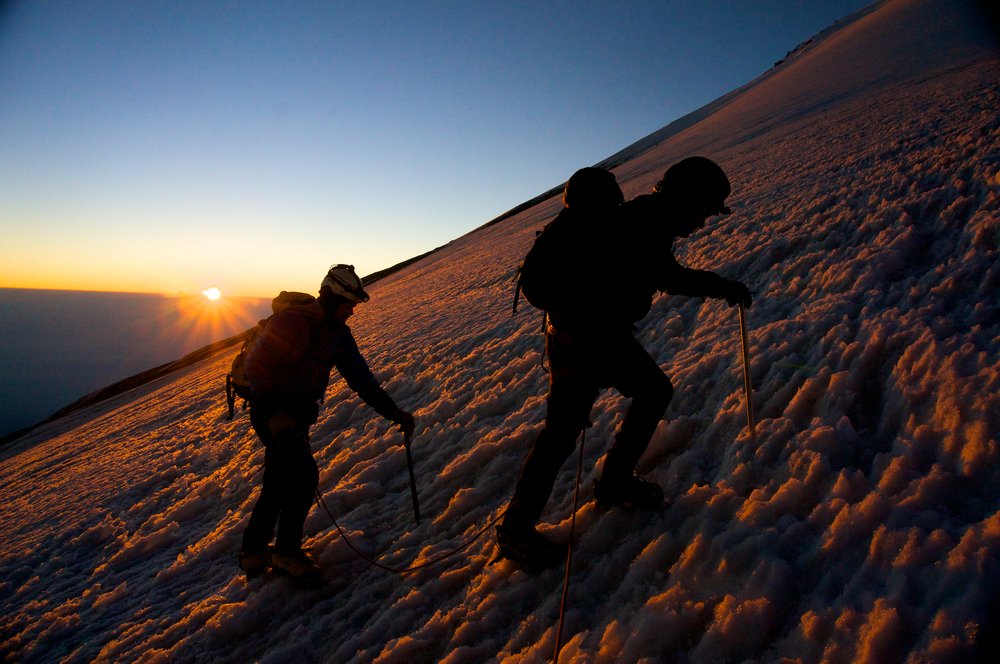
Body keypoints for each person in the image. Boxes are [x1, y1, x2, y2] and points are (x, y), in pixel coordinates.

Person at [497, 158, 752, 569]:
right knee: (562, 436)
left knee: (651, 392)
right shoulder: (642, 224)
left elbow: (661, 273)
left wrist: (721, 287)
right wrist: (722, 287)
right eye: (704, 210)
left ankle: (613, 484)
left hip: (596, 337)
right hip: (582, 342)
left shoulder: (647, 219)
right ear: (685, 199)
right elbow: (667, 275)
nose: (703, 222)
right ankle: (515, 532)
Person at [238, 264, 415, 578]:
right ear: (333, 299)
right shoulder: (293, 322)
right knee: (304, 478)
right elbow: (256, 365)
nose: (351, 312)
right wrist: (274, 414)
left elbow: (361, 379)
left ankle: (253, 552)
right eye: (348, 304)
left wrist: (393, 412)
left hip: (294, 416)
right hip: (273, 414)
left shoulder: (338, 335)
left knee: (279, 482)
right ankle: (285, 553)